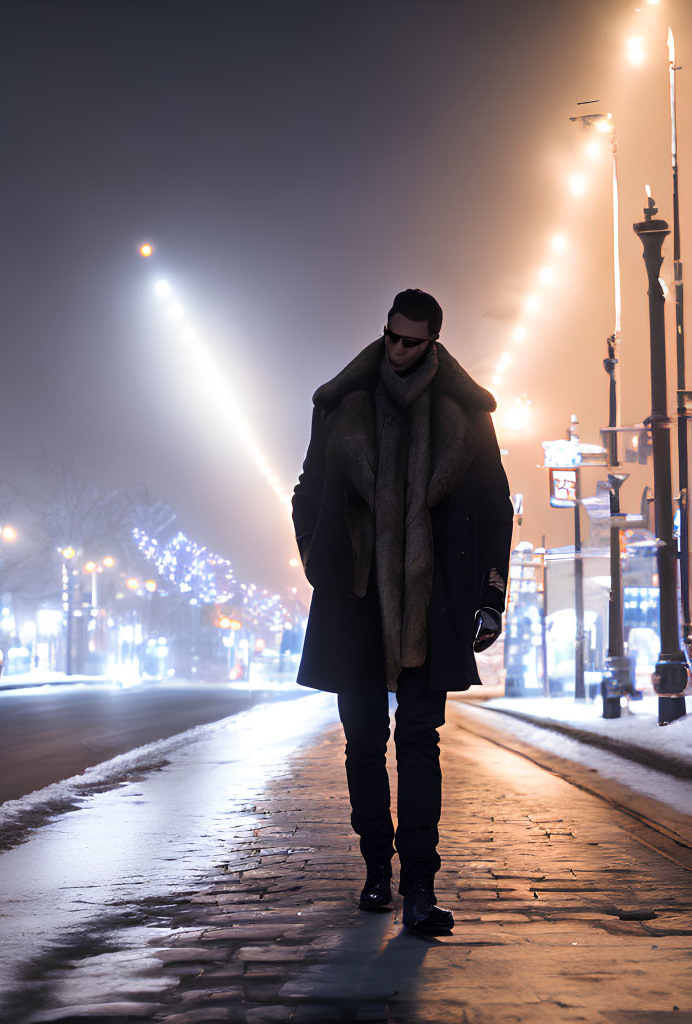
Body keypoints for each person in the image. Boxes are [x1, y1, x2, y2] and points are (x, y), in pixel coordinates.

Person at [291, 288, 513, 936]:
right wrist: (316, 560)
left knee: (419, 744)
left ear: (433, 342)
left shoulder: (465, 411)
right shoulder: (341, 404)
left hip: (432, 599)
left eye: (411, 341)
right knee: (364, 743)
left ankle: (419, 886)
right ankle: (376, 871)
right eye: (391, 336)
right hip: (355, 601)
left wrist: (490, 597)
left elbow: (497, 506)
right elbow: (306, 488)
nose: (397, 349)